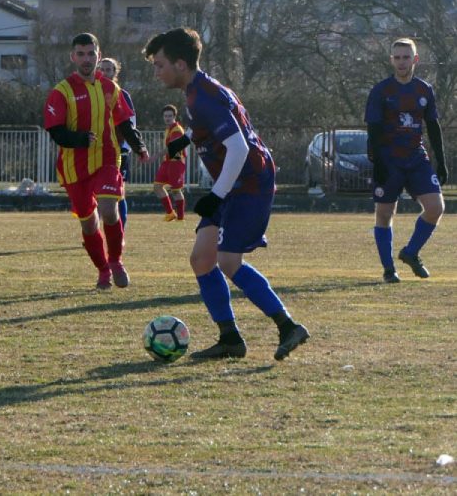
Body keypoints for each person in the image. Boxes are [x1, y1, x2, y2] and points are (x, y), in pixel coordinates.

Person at [143, 28, 309, 361]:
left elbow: (239, 147)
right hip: (231, 183)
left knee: (228, 261)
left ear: (179, 63)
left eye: (159, 65)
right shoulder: (198, 90)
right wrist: (187, 138)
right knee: (201, 260)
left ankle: (288, 326)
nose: (156, 72)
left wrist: (217, 195)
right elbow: (210, 124)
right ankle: (230, 340)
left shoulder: (203, 96)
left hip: (248, 183)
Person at [44, 33, 149, 290]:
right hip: (74, 167)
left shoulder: (110, 88)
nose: (86, 59)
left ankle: (115, 261)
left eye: (91, 53)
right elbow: (55, 130)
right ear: (73, 57)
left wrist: (138, 146)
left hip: (107, 159)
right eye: (81, 54)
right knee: (89, 223)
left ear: (98, 56)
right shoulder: (62, 91)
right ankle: (103, 270)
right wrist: (78, 139)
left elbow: (124, 121)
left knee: (109, 211)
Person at [365, 37, 447, 283]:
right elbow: (374, 129)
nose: (401, 62)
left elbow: (433, 126)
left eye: (406, 57)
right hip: (389, 160)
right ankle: (389, 270)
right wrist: (378, 163)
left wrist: (441, 161)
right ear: (392, 60)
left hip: (416, 159)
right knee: (385, 213)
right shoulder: (381, 90)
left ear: (415, 60)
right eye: (397, 57)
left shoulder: (424, 90)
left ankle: (410, 253)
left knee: (436, 208)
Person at [97, 57, 136, 227]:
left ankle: (121, 232)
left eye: (108, 69)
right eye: (102, 69)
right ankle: (94, 231)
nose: (104, 73)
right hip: (96, 151)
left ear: (115, 72)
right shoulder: (92, 92)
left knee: (118, 192)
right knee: (96, 192)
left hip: (118, 151)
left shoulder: (122, 95)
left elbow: (131, 123)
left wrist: (126, 147)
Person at [154, 104, 187, 221]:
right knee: (157, 186)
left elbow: (171, 148)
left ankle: (181, 218)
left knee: (176, 190)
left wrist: (155, 156)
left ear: (174, 116)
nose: (167, 118)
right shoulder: (168, 129)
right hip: (167, 162)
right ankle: (170, 213)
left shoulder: (177, 130)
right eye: (165, 116)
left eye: (170, 116)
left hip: (176, 162)